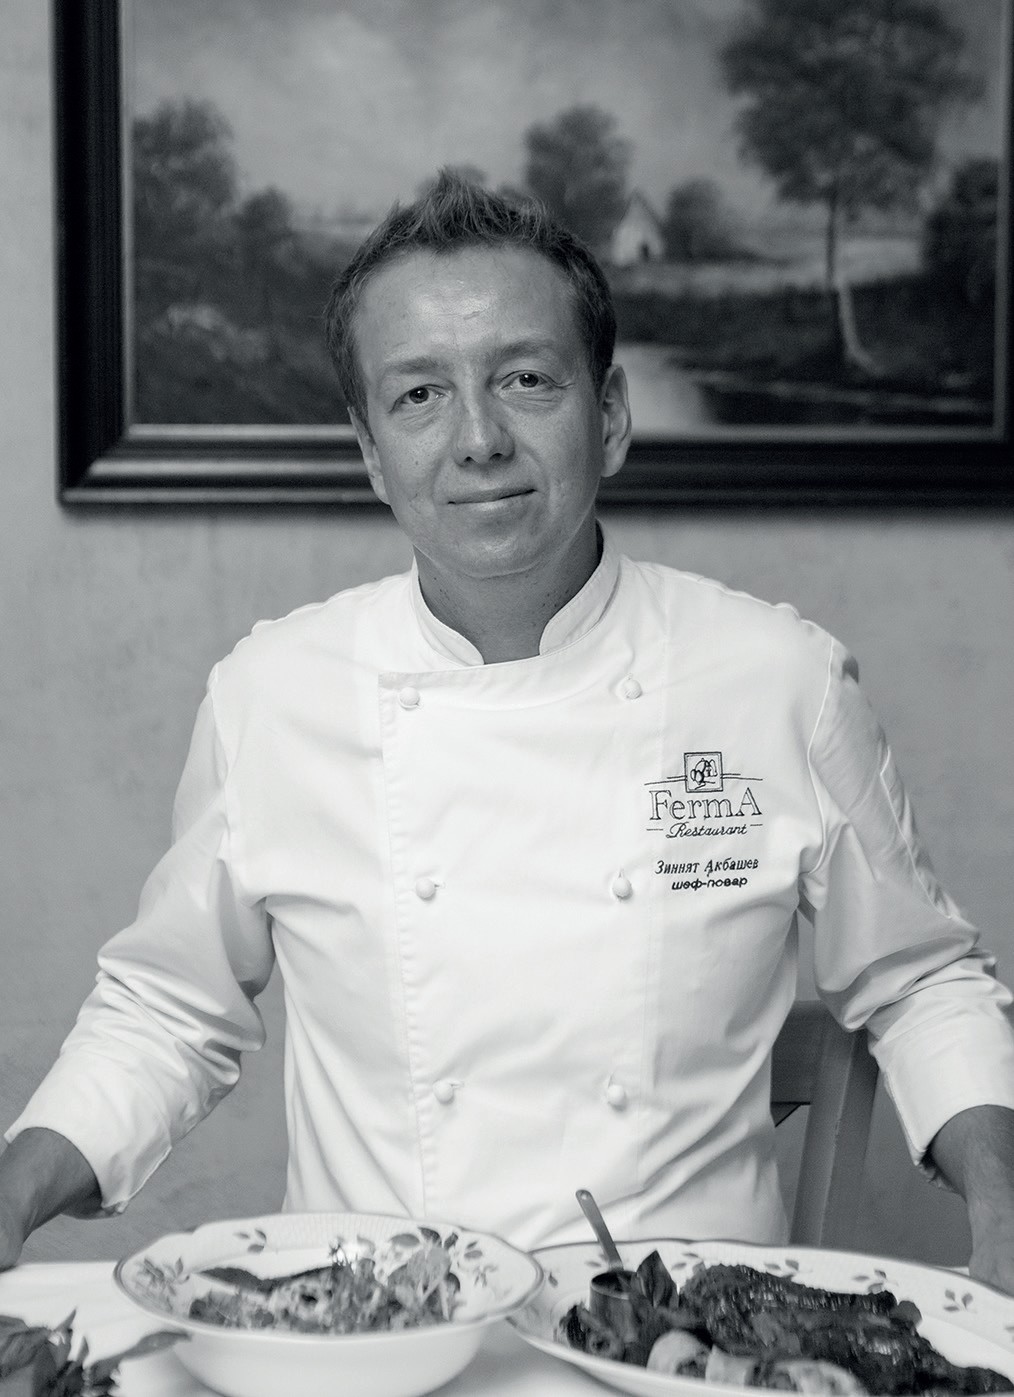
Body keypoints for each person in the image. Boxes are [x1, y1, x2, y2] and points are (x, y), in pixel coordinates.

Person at [2, 173, 1013, 1289]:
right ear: (370, 451)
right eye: (419, 395)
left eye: (526, 379)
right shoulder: (270, 696)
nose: (478, 438)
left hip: (687, 1335)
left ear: (610, 413)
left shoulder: (779, 679)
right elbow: (164, 1010)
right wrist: (12, 1191)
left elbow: (922, 978)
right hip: (377, 1334)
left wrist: (1006, 1198)